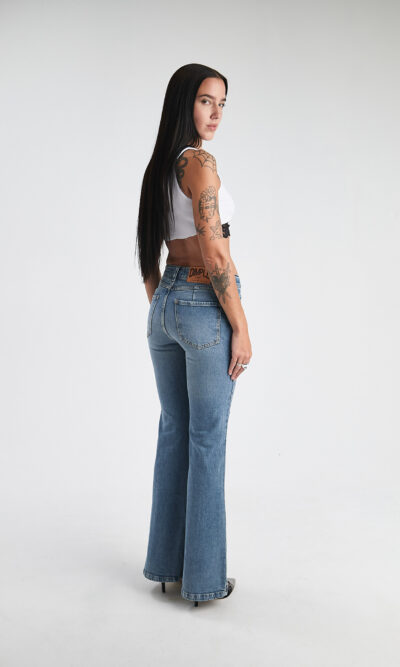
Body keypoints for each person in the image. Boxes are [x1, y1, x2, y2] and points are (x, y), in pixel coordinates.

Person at [135, 63, 252, 606]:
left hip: (165, 305)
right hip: (204, 303)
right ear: (185, 102)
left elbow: (147, 251)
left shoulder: (159, 167)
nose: (216, 113)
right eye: (207, 101)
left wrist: (167, 308)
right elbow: (215, 253)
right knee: (206, 439)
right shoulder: (199, 163)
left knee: (174, 432)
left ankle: (166, 567)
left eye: (222, 103)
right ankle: (204, 581)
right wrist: (240, 326)